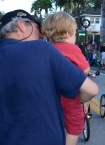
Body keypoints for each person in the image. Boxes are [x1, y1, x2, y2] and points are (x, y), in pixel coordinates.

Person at [0, 9, 98, 145]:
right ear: (22, 26)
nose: (41, 34)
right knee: (74, 124)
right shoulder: (41, 49)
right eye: (37, 28)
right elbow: (91, 89)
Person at [41, 11, 94, 145]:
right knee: (73, 125)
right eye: (75, 33)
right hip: (69, 96)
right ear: (67, 33)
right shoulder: (72, 49)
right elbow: (85, 69)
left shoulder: (46, 48)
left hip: (49, 96)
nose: (75, 36)